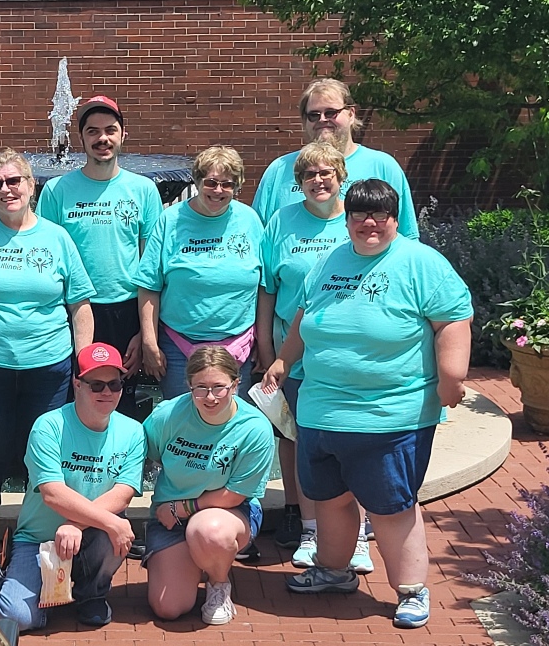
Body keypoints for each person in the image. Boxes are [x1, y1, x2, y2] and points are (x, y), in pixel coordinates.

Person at [262, 178, 472, 629]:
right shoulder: (329, 260)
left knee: (391, 506)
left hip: (389, 416)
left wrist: (451, 378)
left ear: (395, 218)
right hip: (321, 411)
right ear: (348, 218)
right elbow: (304, 316)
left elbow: (453, 319)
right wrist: (283, 360)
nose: (369, 223)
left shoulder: (421, 263)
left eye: (380, 215)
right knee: (330, 498)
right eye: (359, 214)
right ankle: (333, 571)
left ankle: (411, 590)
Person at [0, 148, 96, 576]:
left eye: (14, 181)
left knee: (44, 455)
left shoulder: (57, 238)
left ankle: (36, 540)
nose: (6, 189)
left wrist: (83, 364)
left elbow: (80, 306)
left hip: (48, 369)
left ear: (31, 185)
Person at [260, 142, 373, 572]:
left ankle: (357, 536)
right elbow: (267, 290)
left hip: (346, 355)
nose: (318, 180)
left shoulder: (356, 222)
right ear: (299, 182)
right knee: (297, 440)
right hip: (292, 354)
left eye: (326, 172)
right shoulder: (281, 221)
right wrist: (269, 351)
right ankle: (309, 529)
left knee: (350, 441)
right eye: (309, 174)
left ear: (341, 176)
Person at [0, 343, 146, 630]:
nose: (107, 392)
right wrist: (107, 521)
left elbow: (123, 493)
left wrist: (76, 525)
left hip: (92, 535)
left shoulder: (133, 431)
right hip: (38, 539)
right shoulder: (49, 426)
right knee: (18, 618)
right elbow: (52, 493)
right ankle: (7, 580)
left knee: (112, 531)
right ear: (77, 384)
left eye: (115, 384)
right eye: (96, 385)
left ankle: (91, 595)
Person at [36, 96, 163, 421]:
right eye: (92, 131)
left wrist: (143, 331)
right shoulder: (57, 190)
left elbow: (151, 267)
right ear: (81, 137)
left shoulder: (144, 190)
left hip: (125, 311)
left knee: (121, 405)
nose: (102, 138)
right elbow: (45, 259)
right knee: (73, 400)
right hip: (73, 311)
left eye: (110, 130)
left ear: (123, 135)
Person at [142, 347, 275, 625]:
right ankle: (196, 559)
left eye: (219, 387)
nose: (210, 397)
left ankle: (218, 583)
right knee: (168, 608)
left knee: (208, 531)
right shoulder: (167, 415)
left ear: (235, 385)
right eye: (200, 388)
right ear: (189, 385)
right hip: (170, 518)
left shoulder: (255, 428)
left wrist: (182, 507)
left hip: (228, 514)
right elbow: (146, 455)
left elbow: (236, 494)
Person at [135, 146, 272, 402]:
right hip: (179, 346)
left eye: (227, 184)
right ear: (197, 181)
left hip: (237, 347)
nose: (218, 190)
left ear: (237, 187)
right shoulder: (170, 220)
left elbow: (265, 287)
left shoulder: (250, 220)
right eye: (211, 182)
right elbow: (149, 286)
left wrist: (264, 345)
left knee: (232, 419)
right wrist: (149, 343)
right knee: (182, 417)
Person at [252, 78, 419, 239]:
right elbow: (257, 238)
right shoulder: (280, 170)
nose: (322, 119)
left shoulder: (383, 167)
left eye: (331, 112)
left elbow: (407, 236)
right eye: (314, 115)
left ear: (351, 114)